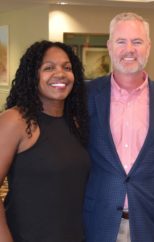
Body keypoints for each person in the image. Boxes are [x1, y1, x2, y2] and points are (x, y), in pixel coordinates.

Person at [83, 12, 154, 242]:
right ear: (109, 46)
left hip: (151, 225)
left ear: (148, 47)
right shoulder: (84, 96)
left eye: (137, 42)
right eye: (121, 41)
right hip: (96, 222)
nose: (129, 49)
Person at [0, 40, 90, 242]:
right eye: (48, 68)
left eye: (67, 67)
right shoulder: (16, 120)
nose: (60, 74)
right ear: (33, 76)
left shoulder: (75, 122)